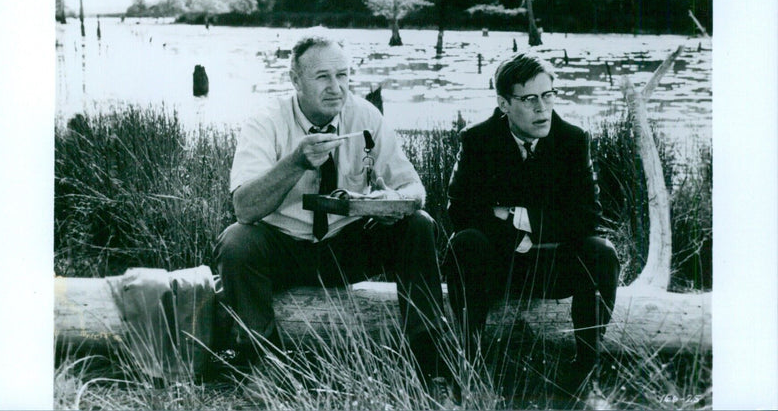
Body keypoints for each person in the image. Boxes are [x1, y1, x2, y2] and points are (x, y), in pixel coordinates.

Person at [213, 31, 447, 383]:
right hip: (285, 248)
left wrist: (391, 203)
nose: (336, 88)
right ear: (296, 80)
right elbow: (244, 208)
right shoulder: (266, 121)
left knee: (420, 224)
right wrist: (295, 162)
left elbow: (415, 189)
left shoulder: (365, 115)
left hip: (346, 248)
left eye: (343, 75)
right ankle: (265, 363)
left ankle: (428, 360)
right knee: (236, 242)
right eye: (322, 77)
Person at [445, 52, 618, 396]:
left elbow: (588, 216)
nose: (543, 108)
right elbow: (460, 211)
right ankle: (467, 364)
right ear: (504, 104)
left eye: (548, 95)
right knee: (465, 243)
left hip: (553, 267)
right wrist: (525, 231)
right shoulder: (477, 139)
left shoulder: (572, 138)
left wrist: (514, 216)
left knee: (601, 251)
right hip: (496, 266)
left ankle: (585, 368)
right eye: (529, 99)